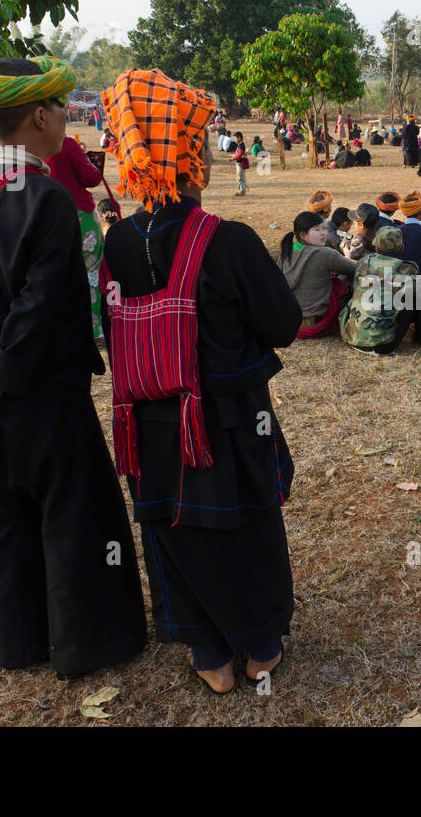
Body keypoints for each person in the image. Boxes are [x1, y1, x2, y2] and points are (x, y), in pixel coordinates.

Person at [0, 55, 146, 680]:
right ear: (41, 115)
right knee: (74, 515)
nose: (67, 125)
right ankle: (87, 647)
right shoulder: (43, 197)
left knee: (3, 514)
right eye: (62, 113)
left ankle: (19, 643)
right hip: (39, 394)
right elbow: (41, 306)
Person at [100, 69, 300, 694]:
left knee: (170, 524)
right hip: (229, 421)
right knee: (245, 524)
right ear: (188, 159)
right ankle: (261, 646)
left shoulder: (118, 245)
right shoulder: (230, 241)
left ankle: (208, 654)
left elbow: (112, 331)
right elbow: (284, 324)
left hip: (151, 423)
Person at [340, 226, 421, 354]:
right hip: (382, 345)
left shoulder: (364, 262)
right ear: (402, 247)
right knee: (417, 298)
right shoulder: (405, 269)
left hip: (350, 336)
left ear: (376, 247)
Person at [46, 134, 121, 341]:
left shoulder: (23, 146)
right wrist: (86, 160)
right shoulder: (64, 143)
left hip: (46, 217)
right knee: (91, 273)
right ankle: (95, 330)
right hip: (78, 213)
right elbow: (92, 177)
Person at [279, 210, 357, 336]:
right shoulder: (325, 254)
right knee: (348, 280)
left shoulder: (289, 248)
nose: (323, 233)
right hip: (314, 322)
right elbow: (356, 269)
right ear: (303, 234)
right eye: (317, 230)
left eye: (323, 228)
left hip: (288, 320)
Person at [230, 130, 249, 195]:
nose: (235, 139)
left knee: (240, 177)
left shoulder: (241, 145)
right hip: (240, 162)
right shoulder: (240, 145)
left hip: (240, 162)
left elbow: (240, 154)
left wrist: (233, 158)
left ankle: (242, 191)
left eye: (235, 138)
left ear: (239, 138)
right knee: (241, 177)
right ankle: (241, 190)